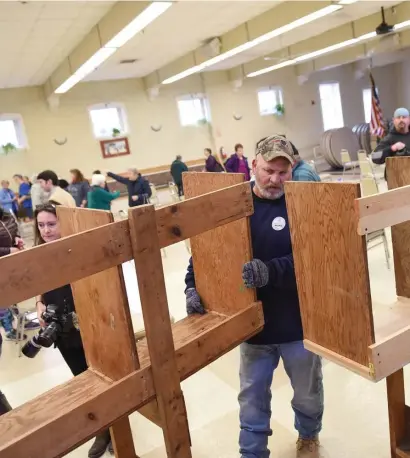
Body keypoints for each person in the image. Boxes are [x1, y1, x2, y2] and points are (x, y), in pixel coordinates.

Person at [185, 135, 324, 457]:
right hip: (251, 328)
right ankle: (252, 452)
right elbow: (207, 254)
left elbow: (315, 257)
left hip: (298, 325)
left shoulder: (303, 205)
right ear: (252, 165)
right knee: (252, 398)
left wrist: (271, 271)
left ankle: (309, 434)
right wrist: (192, 286)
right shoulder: (232, 206)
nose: (274, 180)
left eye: (282, 173)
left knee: (307, 393)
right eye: (267, 170)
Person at [34, 203, 113, 457]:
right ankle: (103, 428)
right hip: (62, 332)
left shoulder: (77, 248)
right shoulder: (40, 253)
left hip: (88, 324)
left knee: (104, 377)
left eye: (51, 224)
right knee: (82, 379)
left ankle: (113, 424)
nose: (46, 230)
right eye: (41, 225)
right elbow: (39, 287)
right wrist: (38, 304)